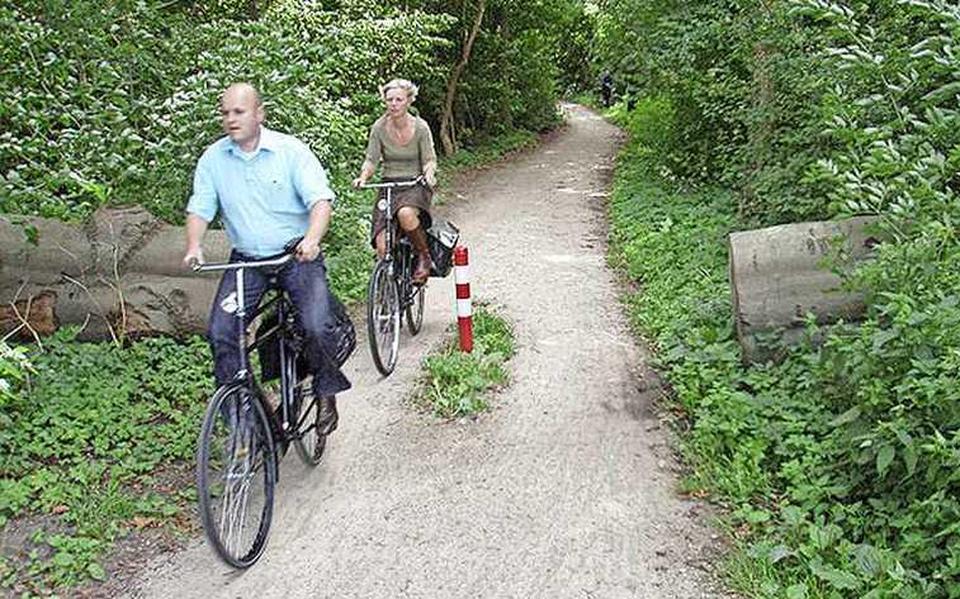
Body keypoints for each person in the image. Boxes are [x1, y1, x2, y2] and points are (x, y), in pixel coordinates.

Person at [183, 82, 348, 436]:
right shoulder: (213, 158)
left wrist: (312, 239)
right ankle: (244, 419)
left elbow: (320, 201)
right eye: (225, 112)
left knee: (317, 324)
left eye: (239, 112)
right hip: (247, 262)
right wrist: (194, 244)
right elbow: (200, 207)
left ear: (260, 113)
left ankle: (325, 390)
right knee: (221, 333)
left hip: (295, 257)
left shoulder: (290, 151)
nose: (230, 119)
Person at [352, 78, 438, 285]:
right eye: (389, 100)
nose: (394, 104)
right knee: (382, 246)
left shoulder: (421, 127)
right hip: (389, 183)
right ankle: (389, 291)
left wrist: (429, 174)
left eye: (399, 99)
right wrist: (363, 178)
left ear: (409, 101)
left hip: (414, 184)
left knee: (405, 214)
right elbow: (371, 160)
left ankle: (424, 257)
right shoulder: (379, 128)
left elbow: (429, 159)